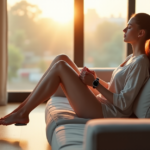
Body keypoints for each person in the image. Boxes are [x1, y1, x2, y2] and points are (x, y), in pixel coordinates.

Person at [0, 13, 150, 126]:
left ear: (141, 33)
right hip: (101, 104)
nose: (124, 29)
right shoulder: (131, 57)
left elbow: (124, 103)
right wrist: (96, 79)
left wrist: (95, 83)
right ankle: (20, 110)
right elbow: (115, 89)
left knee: (61, 67)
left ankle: (23, 112)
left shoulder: (141, 63)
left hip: (106, 113)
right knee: (62, 58)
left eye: (129, 27)